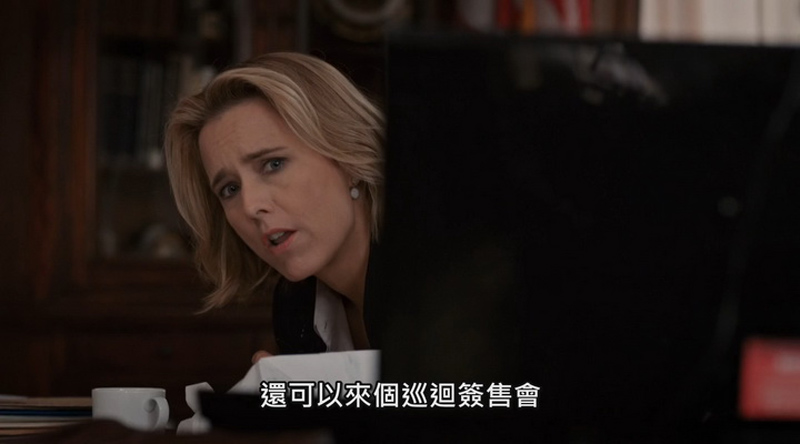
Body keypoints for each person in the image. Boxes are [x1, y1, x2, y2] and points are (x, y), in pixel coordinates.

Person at [164, 52, 384, 362]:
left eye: (273, 164)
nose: (250, 206)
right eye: (230, 189)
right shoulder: (295, 306)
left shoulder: (438, 283)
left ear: (349, 156)